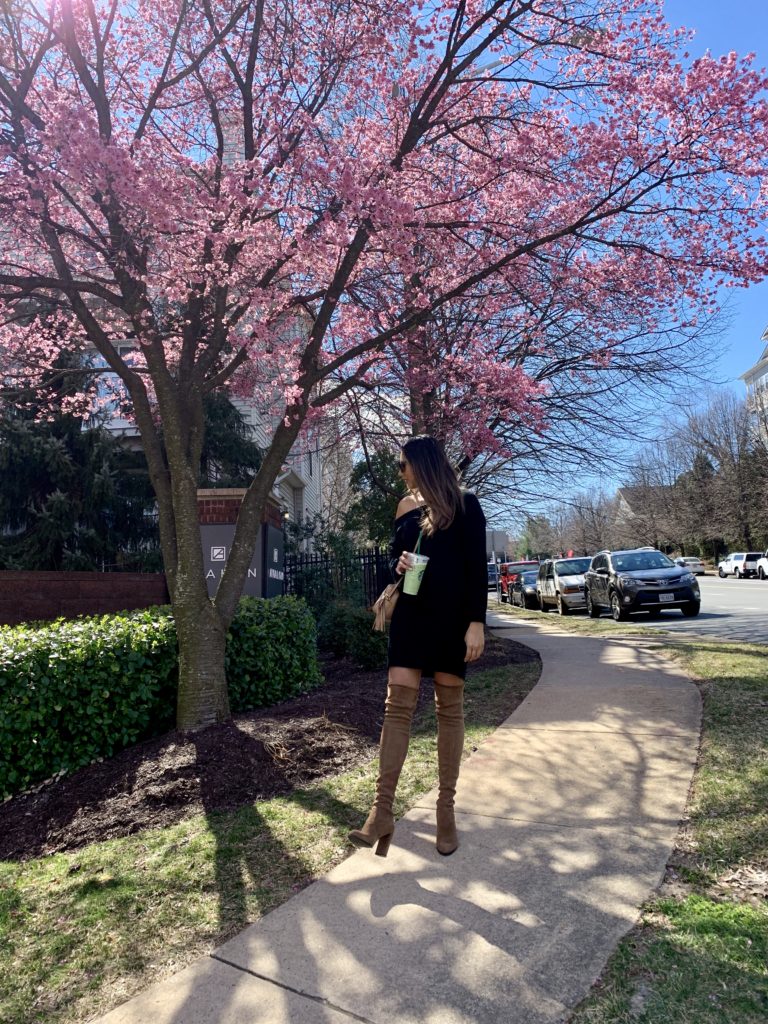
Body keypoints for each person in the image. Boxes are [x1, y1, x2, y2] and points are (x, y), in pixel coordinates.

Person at [348, 435, 487, 858]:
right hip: (411, 615)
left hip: (451, 621)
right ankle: (381, 811)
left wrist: (476, 623)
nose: (400, 472)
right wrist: (400, 562)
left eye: (403, 465)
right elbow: (396, 558)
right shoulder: (405, 509)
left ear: (422, 464)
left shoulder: (466, 505)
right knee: (397, 707)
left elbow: (476, 568)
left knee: (449, 710)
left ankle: (446, 810)